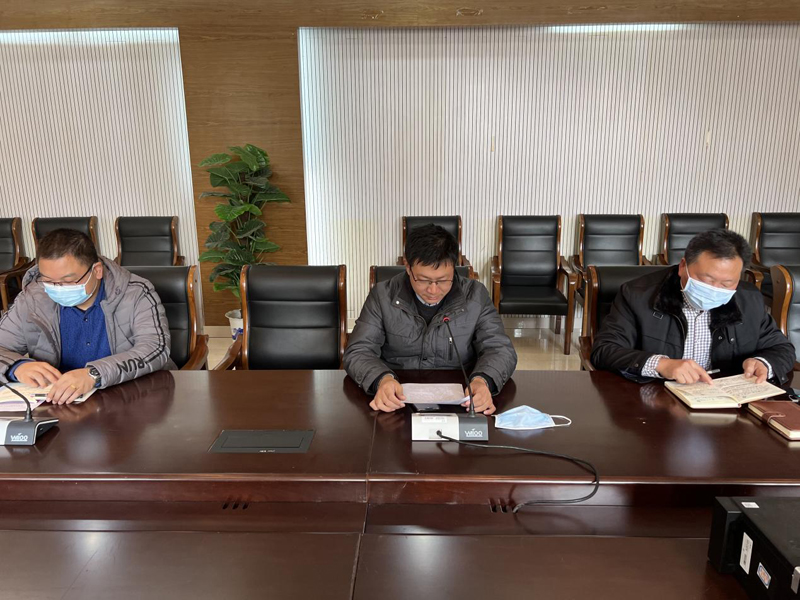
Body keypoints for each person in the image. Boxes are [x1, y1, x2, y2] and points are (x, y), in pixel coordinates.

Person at [344, 224, 517, 415]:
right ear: (408, 267)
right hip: (396, 399)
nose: (433, 290)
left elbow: (499, 349)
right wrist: (381, 379)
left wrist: (483, 380)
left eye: (443, 280)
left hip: (463, 401)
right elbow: (359, 351)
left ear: (454, 267)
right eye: (424, 280)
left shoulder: (475, 296)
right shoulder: (382, 296)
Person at [590, 228, 795, 385]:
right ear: (683, 266)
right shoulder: (637, 295)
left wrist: (764, 362)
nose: (715, 289)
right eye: (706, 279)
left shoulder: (748, 300)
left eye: (727, 283)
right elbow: (604, 350)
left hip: (724, 400)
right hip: (657, 397)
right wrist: (661, 364)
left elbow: (781, 348)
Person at [0, 228, 173, 404]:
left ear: (96, 271)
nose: (57, 288)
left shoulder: (135, 293)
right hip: (60, 402)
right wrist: (16, 367)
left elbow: (155, 348)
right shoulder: (32, 298)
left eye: (68, 281)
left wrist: (94, 374)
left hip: (129, 397)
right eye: (48, 281)